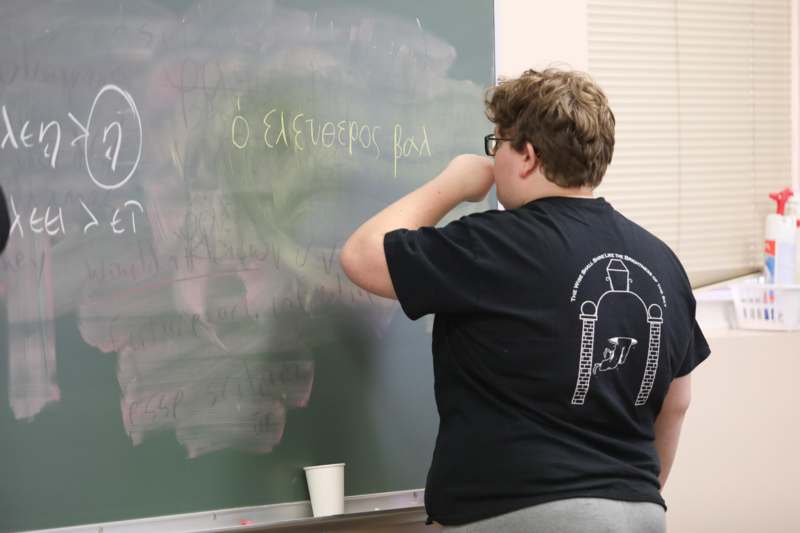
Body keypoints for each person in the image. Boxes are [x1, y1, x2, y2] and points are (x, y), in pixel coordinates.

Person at [340, 68, 710, 533]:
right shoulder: (662, 263)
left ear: (528, 157)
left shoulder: (496, 245)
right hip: (637, 513)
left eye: (498, 146)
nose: (493, 162)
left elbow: (362, 256)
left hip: (509, 511)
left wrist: (453, 184)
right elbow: (676, 403)